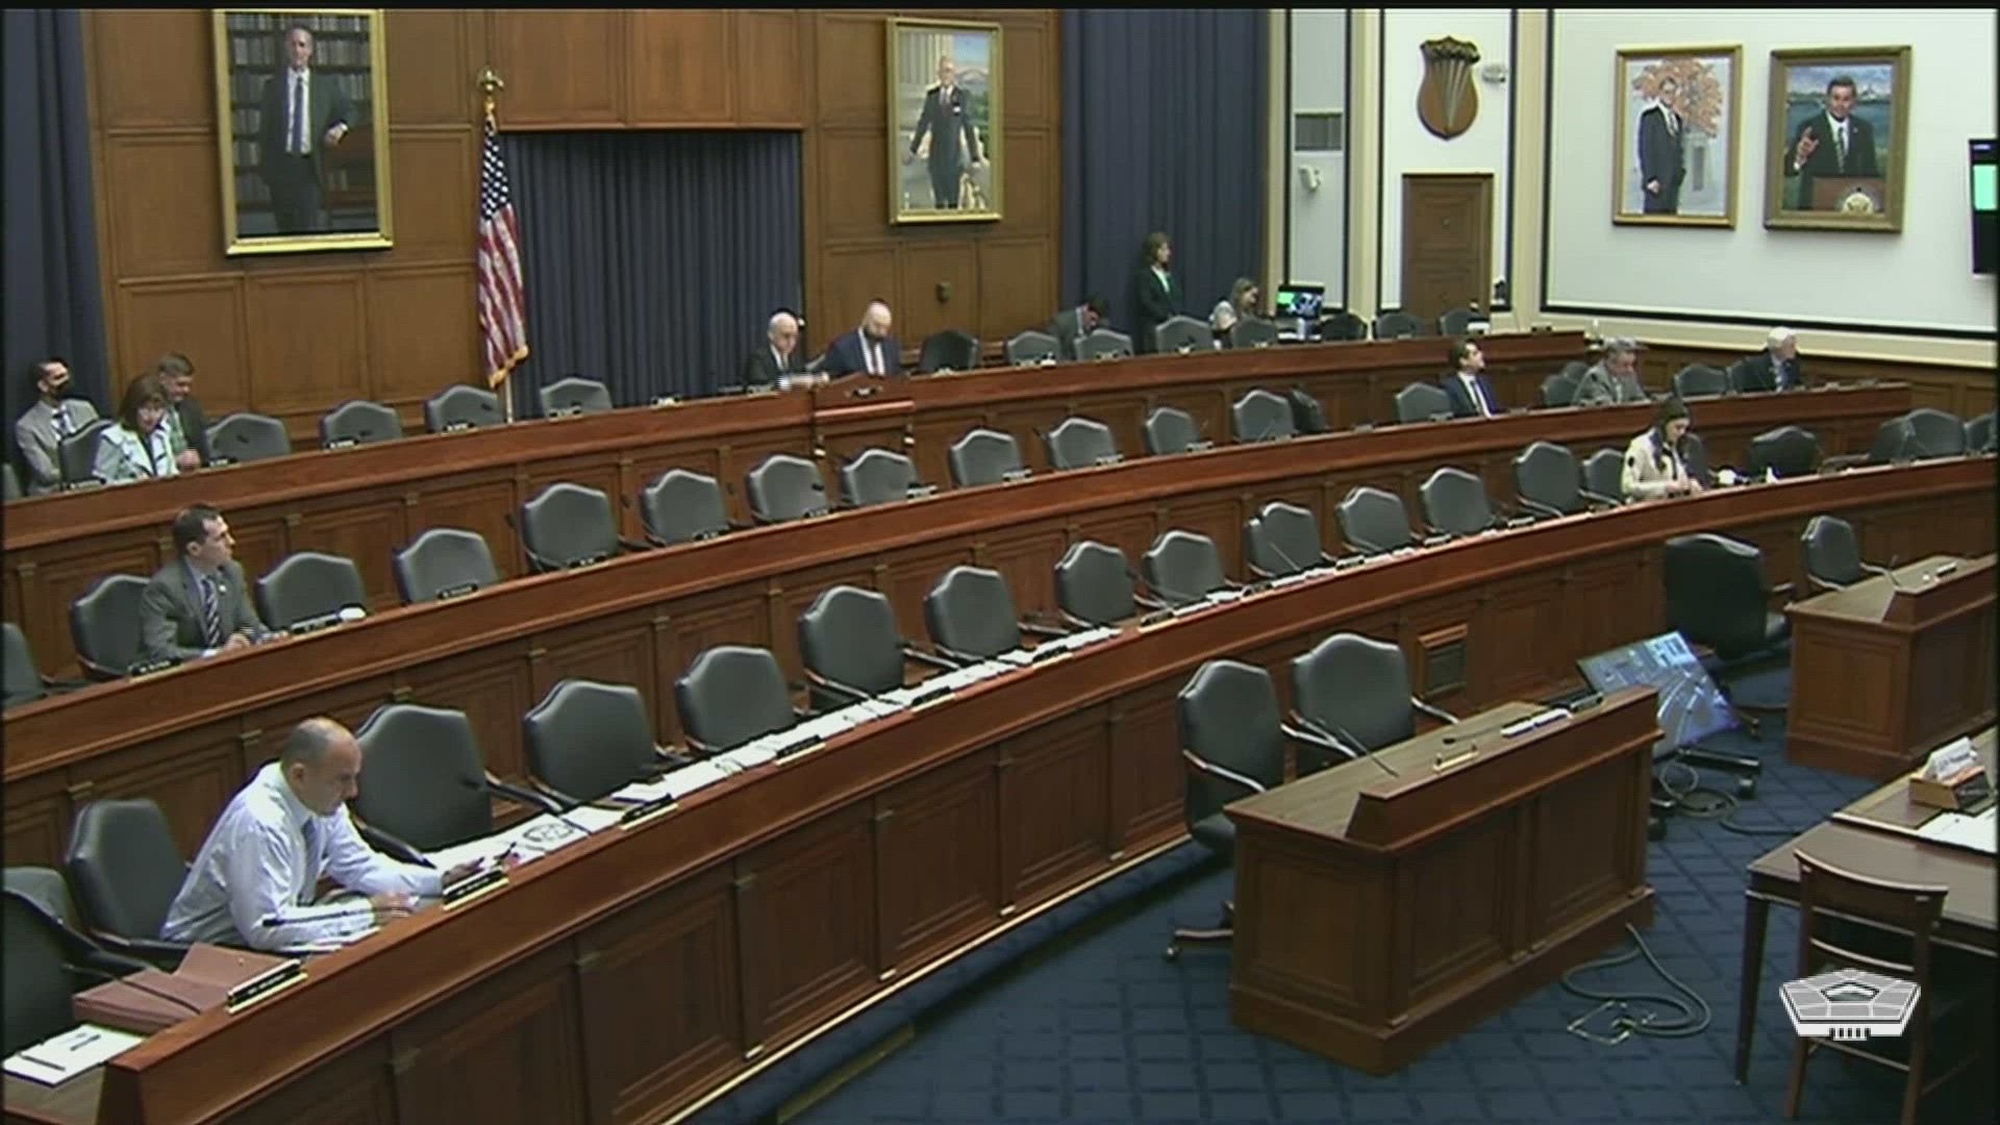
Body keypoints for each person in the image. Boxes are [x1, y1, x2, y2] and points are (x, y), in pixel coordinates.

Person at [162, 718, 486, 952]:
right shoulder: (260, 821)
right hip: (202, 957)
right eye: (343, 780)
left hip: (260, 947)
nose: (353, 791)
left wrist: (440, 880)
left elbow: (360, 867)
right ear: (299, 775)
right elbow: (267, 926)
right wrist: (366, 914)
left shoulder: (318, 798)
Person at [138, 504, 272, 665]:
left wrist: (245, 637)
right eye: (220, 538)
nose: (231, 542)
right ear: (194, 549)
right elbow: (161, 651)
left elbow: (249, 625)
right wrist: (215, 654)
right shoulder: (165, 588)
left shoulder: (231, 572)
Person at [258, 24, 354, 235]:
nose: (297, 50)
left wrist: (340, 128)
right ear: (286, 49)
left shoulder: (325, 86)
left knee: (307, 229)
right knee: (284, 229)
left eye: (302, 45)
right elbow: (264, 132)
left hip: (310, 168)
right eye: (292, 44)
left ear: (310, 50)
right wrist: (266, 170)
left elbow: (349, 110)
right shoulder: (272, 87)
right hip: (281, 168)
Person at [1782, 74, 1878, 211]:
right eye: (1836, 98)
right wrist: (1800, 157)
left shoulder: (1864, 129)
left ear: (1853, 102)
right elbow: (1787, 170)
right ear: (1827, 99)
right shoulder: (1809, 127)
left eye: (1846, 99)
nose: (1840, 104)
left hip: (1850, 208)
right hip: (1814, 208)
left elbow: (1871, 171)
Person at [904, 56, 983, 210]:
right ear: (938, 74)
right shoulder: (932, 96)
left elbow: (968, 129)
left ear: (954, 74)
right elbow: (923, 125)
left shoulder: (961, 96)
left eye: (949, 71)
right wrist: (912, 151)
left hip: (954, 161)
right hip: (936, 161)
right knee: (939, 205)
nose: (946, 74)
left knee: (953, 204)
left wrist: (975, 158)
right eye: (943, 71)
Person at [14, 358, 99, 496]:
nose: (66, 382)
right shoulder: (26, 426)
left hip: (92, 486)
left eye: (67, 375)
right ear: (43, 385)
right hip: (52, 495)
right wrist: (82, 472)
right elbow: (45, 473)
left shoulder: (85, 409)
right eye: (59, 378)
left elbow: (102, 450)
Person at [94, 374, 179, 485]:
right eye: (145, 409)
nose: (151, 416)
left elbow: (171, 473)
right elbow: (102, 484)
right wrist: (132, 484)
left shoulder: (162, 435)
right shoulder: (113, 439)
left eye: (157, 409)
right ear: (132, 408)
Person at [1621, 396, 1702, 500]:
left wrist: (1690, 483)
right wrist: (1664, 487)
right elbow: (1627, 487)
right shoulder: (1640, 446)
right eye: (1678, 427)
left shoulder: (1677, 446)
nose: (1682, 433)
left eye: (1685, 428)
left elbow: (1679, 480)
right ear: (1664, 424)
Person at [1637, 76, 1687, 215]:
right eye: (1666, 92)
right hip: (1656, 185)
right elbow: (1644, 149)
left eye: (1673, 92)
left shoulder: (1677, 119)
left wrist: (1680, 172)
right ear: (1660, 93)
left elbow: (1679, 149)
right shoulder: (1650, 117)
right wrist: (1650, 178)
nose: (1670, 96)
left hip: (1672, 185)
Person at [154, 352, 210, 472]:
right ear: (163, 379)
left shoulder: (191, 407)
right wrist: (174, 460)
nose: (186, 390)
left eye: (188, 385)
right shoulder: (147, 410)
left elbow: (203, 452)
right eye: (180, 385)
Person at [820, 300, 902, 377]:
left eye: (885, 327)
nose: (882, 332)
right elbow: (831, 380)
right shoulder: (842, 348)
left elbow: (896, 378)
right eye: (878, 326)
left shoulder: (892, 347)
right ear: (865, 321)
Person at [1131, 232, 1179, 355]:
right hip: (1153, 330)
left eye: (1168, 249)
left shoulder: (1168, 275)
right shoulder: (1144, 276)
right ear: (1154, 251)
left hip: (1172, 329)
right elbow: (1146, 302)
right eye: (1163, 249)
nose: (1168, 253)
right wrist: (1165, 315)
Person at [743, 311, 815, 388]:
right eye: (786, 336)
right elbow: (761, 386)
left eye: (794, 337)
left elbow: (803, 376)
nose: (791, 342)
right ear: (771, 335)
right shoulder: (758, 358)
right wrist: (790, 382)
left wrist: (815, 380)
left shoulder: (795, 359)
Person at [1572, 337, 1650, 407]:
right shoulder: (1596, 376)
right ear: (1610, 361)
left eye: (1632, 364)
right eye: (1625, 365)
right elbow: (1605, 407)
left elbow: (1640, 399)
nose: (1630, 370)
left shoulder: (1629, 375)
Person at [1731, 327, 1808, 393]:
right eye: (1791, 346)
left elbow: (1798, 385)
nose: (1794, 350)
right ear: (1777, 348)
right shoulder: (1754, 366)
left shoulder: (1794, 363)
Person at [1439, 339, 1501, 419]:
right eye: (1475, 354)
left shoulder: (1485, 382)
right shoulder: (1450, 387)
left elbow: (1496, 410)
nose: (1481, 355)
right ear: (1463, 361)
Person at [1047, 296, 1108, 362]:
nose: (1094, 324)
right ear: (1084, 309)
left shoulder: (1102, 325)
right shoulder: (1060, 323)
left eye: (1097, 321)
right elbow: (1053, 353)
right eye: (1092, 319)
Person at [1210, 278, 1260, 342]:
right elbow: (1225, 326)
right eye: (1252, 296)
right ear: (1240, 293)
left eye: (1256, 297)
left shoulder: (1246, 314)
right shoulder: (1224, 306)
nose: (1253, 301)